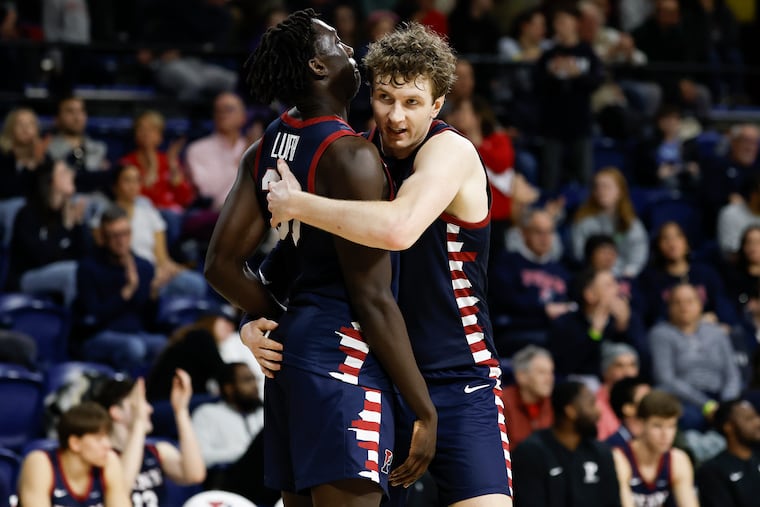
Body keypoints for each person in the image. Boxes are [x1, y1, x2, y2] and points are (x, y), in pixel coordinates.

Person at [263, 20, 512, 506]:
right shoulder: (356, 157)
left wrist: (298, 203)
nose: (396, 116)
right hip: (379, 372)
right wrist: (253, 320)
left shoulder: (451, 151)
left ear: (437, 105)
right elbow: (296, 260)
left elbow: (399, 227)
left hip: (460, 378)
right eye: (385, 99)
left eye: (412, 103)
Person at [203, 10, 437, 507]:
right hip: (342, 355)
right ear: (316, 66)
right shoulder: (349, 155)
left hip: (291, 358)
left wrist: (275, 318)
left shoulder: (270, 139)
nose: (351, 52)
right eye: (338, 45)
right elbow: (372, 298)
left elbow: (221, 265)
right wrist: (423, 409)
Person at [91, 373, 206, 506]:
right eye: (139, 403)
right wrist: (138, 423)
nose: (149, 409)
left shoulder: (156, 450)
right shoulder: (102, 458)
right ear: (116, 412)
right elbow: (120, 490)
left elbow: (195, 474)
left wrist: (181, 410)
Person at [75, 204, 166, 372]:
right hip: (99, 334)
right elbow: (93, 316)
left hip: (136, 332)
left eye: (125, 234)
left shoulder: (143, 266)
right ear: (103, 237)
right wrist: (126, 292)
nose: (121, 241)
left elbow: (150, 320)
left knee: (164, 345)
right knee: (134, 347)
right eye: (115, 235)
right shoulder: (89, 268)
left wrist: (154, 296)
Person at [511, 381, 621, 507]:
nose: (598, 411)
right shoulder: (530, 453)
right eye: (591, 404)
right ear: (570, 411)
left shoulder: (601, 452)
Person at [649, 282, 742, 430]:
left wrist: (726, 405)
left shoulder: (716, 332)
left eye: (689, 301)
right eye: (677, 302)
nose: (683, 307)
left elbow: (732, 374)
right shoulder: (661, 334)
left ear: (700, 304)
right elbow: (665, 378)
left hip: (721, 396)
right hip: (684, 399)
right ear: (669, 307)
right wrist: (706, 405)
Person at [16, 401, 131, 507]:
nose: (108, 445)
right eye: (99, 439)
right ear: (75, 443)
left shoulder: (109, 461)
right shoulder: (40, 462)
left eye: (107, 436)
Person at [6, 159, 87, 306]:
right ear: (50, 181)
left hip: (60, 277)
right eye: (64, 172)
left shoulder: (69, 213)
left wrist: (79, 225)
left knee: (84, 271)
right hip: (26, 277)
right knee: (72, 272)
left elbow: (83, 257)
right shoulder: (28, 214)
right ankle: (76, 324)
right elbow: (40, 257)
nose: (71, 174)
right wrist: (65, 229)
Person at [612, 390, 698, 507]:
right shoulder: (620, 459)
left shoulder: (678, 460)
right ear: (641, 424)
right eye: (657, 426)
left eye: (671, 426)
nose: (665, 434)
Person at [697, 399, 760, 507]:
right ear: (729, 427)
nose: (758, 422)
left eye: (756, 416)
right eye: (749, 419)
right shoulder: (712, 471)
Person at [502, 345, 555, 448]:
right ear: (521, 376)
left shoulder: (555, 403)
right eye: (542, 373)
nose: (549, 379)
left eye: (551, 372)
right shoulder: (502, 403)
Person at [596, 343, 641, 441]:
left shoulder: (641, 398)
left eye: (632, 365)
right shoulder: (596, 405)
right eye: (619, 366)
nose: (627, 372)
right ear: (606, 371)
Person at [606, 376, 652, 449]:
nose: (654, 403)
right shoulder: (612, 447)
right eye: (647, 398)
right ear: (628, 409)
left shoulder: (656, 442)